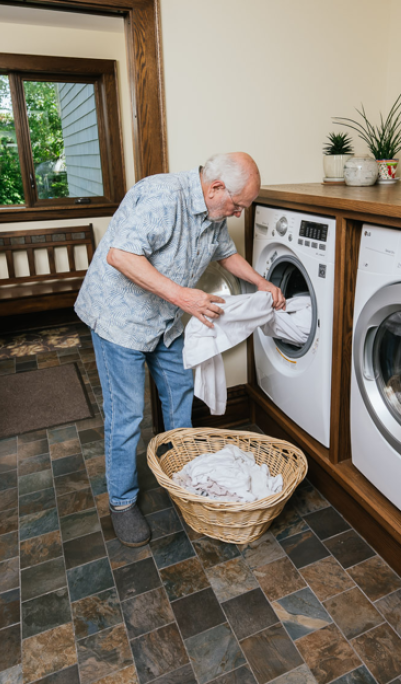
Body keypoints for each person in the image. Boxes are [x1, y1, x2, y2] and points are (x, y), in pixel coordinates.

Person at [74, 152, 285, 546]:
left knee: (179, 395)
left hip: (165, 319)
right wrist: (185, 298)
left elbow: (226, 253)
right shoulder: (161, 196)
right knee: (127, 415)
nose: (238, 214)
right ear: (216, 188)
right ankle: (122, 502)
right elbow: (120, 255)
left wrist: (262, 283)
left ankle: (184, 478)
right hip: (120, 319)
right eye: (237, 205)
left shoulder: (214, 212)